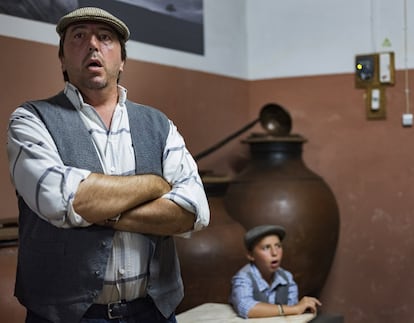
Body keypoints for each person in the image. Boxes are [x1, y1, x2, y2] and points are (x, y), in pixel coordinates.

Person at [6, 6, 210, 323]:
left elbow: (191, 213)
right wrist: (155, 185)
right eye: (78, 36)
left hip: (153, 312)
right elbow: (61, 201)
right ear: (61, 58)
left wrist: (99, 210)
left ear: (122, 60)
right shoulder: (31, 120)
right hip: (65, 316)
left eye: (105, 37)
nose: (92, 45)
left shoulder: (159, 124)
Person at [230, 224, 321, 319]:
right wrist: (294, 309)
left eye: (278, 246)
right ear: (250, 255)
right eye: (266, 247)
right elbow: (246, 308)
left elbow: (293, 313)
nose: (274, 253)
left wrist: (299, 308)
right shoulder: (244, 277)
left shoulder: (286, 277)